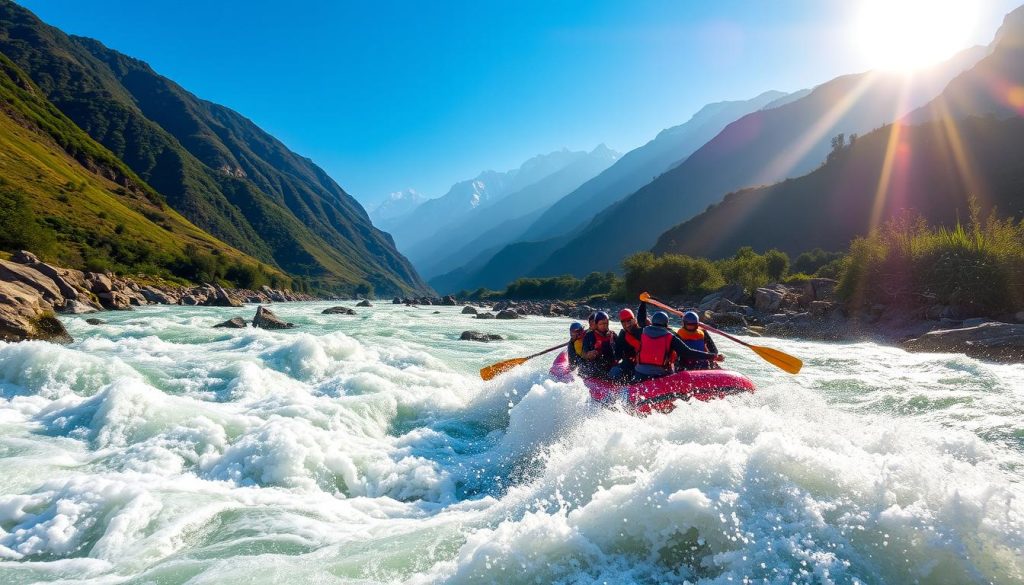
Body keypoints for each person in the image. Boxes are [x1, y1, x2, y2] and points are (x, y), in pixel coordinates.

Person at [634, 311, 722, 380]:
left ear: (652, 322)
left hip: (640, 374)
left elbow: (640, 319)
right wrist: (713, 356)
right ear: (667, 325)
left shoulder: (642, 332)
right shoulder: (671, 337)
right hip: (659, 376)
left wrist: (643, 303)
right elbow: (688, 353)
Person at [581, 311, 617, 378]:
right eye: (601, 324)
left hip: (611, 365)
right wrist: (589, 354)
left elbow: (619, 352)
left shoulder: (613, 335)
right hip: (595, 367)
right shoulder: (589, 336)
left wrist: (613, 344)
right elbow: (584, 354)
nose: (604, 326)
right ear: (596, 324)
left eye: (606, 323)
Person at [611, 307, 642, 381]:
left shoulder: (643, 330)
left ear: (634, 320)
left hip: (645, 364)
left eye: (629, 320)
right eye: (623, 322)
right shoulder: (622, 335)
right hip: (630, 364)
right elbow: (617, 355)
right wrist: (613, 344)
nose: (627, 324)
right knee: (613, 372)